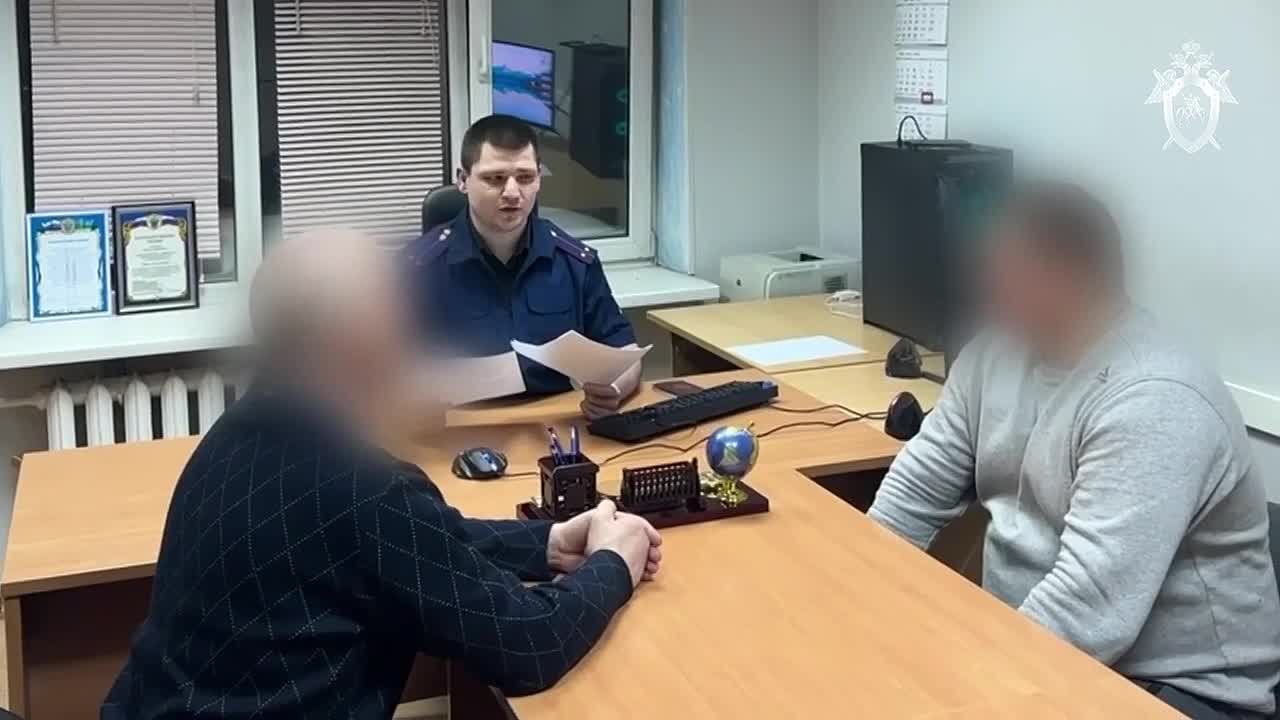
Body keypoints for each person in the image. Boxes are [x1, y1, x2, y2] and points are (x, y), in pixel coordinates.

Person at [102, 229, 662, 719]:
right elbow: (529, 644)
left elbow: (418, 539)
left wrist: (547, 543)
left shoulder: (237, 432)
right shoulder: (360, 487)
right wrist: (615, 561)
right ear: (360, 341)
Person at [868, 181, 1280, 719]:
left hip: (1176, 691)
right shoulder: (995, 352)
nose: (986, 289)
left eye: (1005, 272)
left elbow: (1089, 612)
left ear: (1072, 276)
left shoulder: (1153, 397)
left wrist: (965, 685)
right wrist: (855, 594)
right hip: (1037, 651)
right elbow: (913, 493)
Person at [404, 114, 640, 419]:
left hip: (555, 424)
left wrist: (615, 388)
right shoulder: (419, 268)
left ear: (539, 178)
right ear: (463, 180)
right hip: (458, 428)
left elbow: (625, 351)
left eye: (525, 178)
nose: (513, 193)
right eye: (495, 178)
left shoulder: (575, 262)